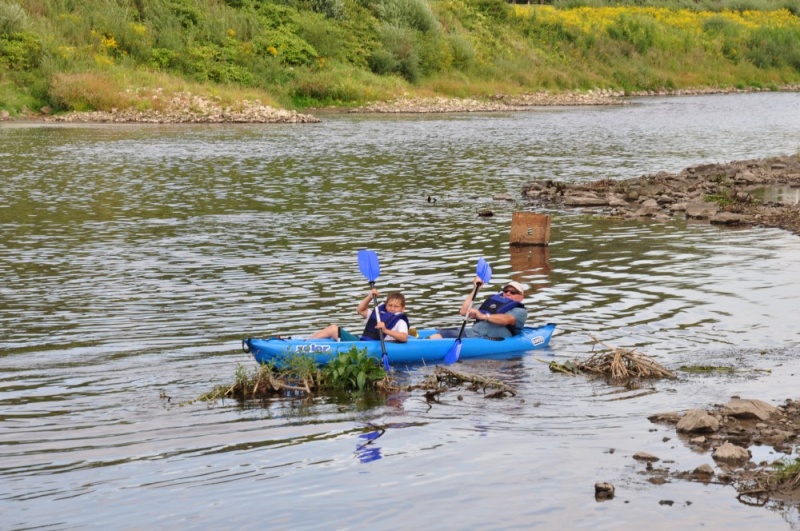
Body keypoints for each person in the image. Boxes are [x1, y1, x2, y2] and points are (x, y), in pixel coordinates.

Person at [429, 279, 527, 339]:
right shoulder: (492, 304)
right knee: (437, 333)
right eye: (506, 291)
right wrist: (476, 289)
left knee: (439, 336)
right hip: (474, 333)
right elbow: (463, 311)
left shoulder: (520, 311)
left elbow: (506, 320)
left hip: (487, 337)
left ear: (521, 297)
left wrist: (483, 316)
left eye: (513, 292)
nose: (508, 293)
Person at [309, 289, 409, 343]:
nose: (392, 308)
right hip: (363, 342)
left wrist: (385, 330)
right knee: (332, 328)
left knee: (333, 329)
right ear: (386, 305)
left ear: (402, 308)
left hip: (370, 346)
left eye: (396, 306)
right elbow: (360, 310)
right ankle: (307, 342)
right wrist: (370, 297)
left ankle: (305, 345)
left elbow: (404, 337)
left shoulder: (400, 322)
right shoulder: (378, 315)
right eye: (390, 305)